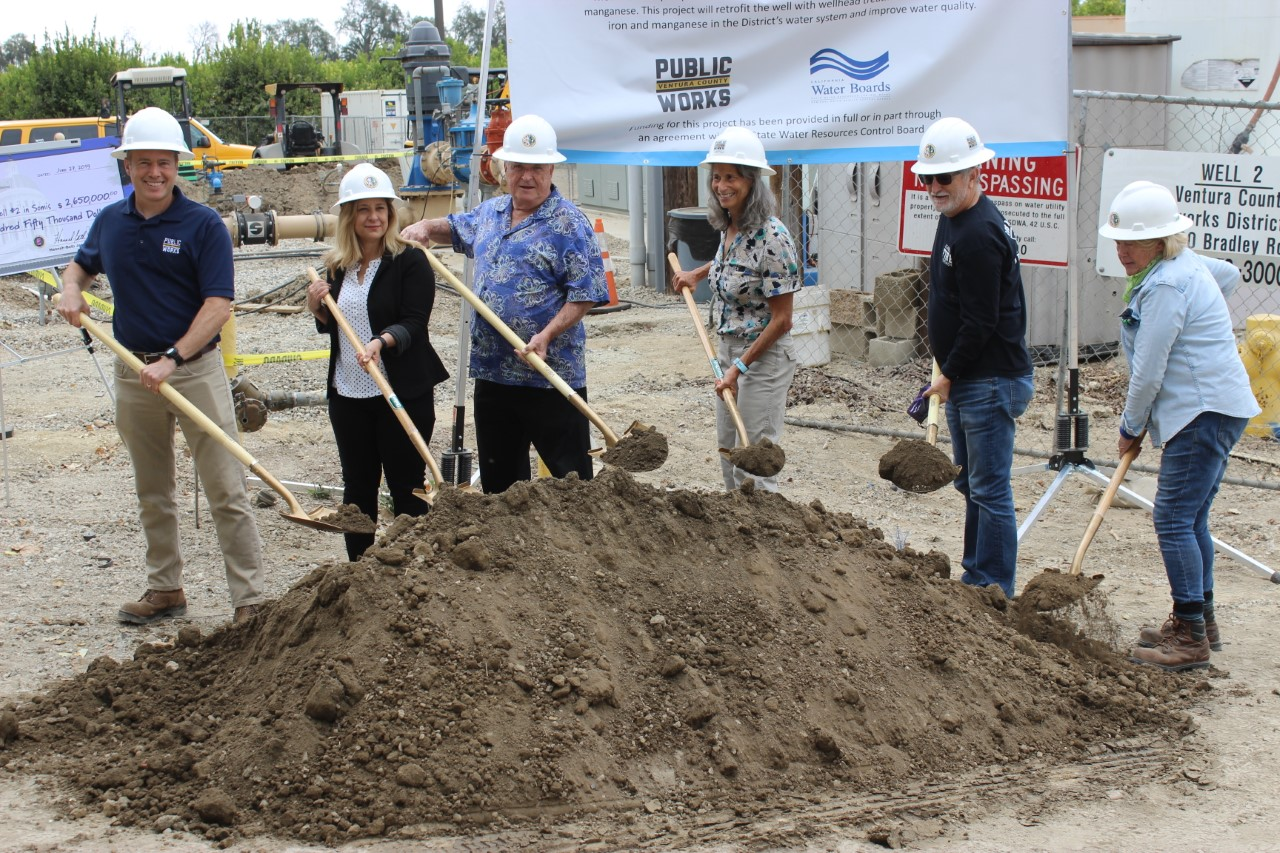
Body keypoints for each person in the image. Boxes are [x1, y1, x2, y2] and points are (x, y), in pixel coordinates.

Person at [56, 107, 266, 625]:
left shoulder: (202, 226)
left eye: (164, 163)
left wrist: (174, 358)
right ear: (127, 166)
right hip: (133, 371)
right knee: (153, 489)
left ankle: (250, 599)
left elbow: (218, 305)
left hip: (193, 371)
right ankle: (165, 588)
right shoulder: (111, 222)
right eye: (143, 162)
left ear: (178, 166)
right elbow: (80, 266)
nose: (154, 172)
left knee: (225, 486)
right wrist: (69, 290)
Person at [399, 114, 608, 494]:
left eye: (536, 167)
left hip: (550, 376)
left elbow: (586, 294)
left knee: (571, 483)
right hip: (494, 373)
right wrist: (427, 227)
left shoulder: (570, 224)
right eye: (518, 167)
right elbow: (457, 227)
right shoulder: (491, 213)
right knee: (502, 484)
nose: (526, 176)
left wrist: (546, 334)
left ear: (550, 169)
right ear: (504, 168)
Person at [1099, 181, 1260, 672]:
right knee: (1191, 519)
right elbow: (1228, 275)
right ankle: (1199, 620)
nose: (1122, 251)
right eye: (1118, 241)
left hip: (1200, 411)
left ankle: (1190, 637)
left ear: (1163, 240)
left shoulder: (1168, 284)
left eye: (1133, 242)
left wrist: (1131, 426)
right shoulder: (1185, 267)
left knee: (1172, 519)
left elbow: (1148, 371)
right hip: (1220, 405)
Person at [915, 116, 1034, 599]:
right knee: (971, 485)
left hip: (988, 378)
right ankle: (975, 575)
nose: (935, 187)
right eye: (928, 177)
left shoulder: (979, 234)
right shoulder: (955, 220)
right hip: (968, 376)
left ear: (972, 176)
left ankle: (994, 587)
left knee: (989, 489)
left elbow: (981, 321)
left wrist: (948, 373)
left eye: (945, 177)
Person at [306, 163, 448, 561]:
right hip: (348, 393)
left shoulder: (409, 260)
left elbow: (415, 322)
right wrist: (317, 308)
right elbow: (335, 326)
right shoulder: (338, 265)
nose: (373, 217)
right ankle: (360, 570)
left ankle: (411, 568)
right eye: (363, 209)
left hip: (400, 391)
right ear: (349, 217)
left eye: (380, 208)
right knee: (357, 488)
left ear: (390, 213)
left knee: (407, 486)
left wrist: (381, 342)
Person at [671, 126, 801, 492]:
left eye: (731, 177)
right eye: (717, 177)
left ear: (752, 181)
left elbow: (783, 319)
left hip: (763, 359)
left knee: (754, 460)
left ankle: (766, 542)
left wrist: (740, 368)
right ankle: (738, 538)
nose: (721, 185)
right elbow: (731, 268)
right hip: (728, 352)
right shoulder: (732, 228)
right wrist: (695, 274)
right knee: (729, 452)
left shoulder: (774, 238)